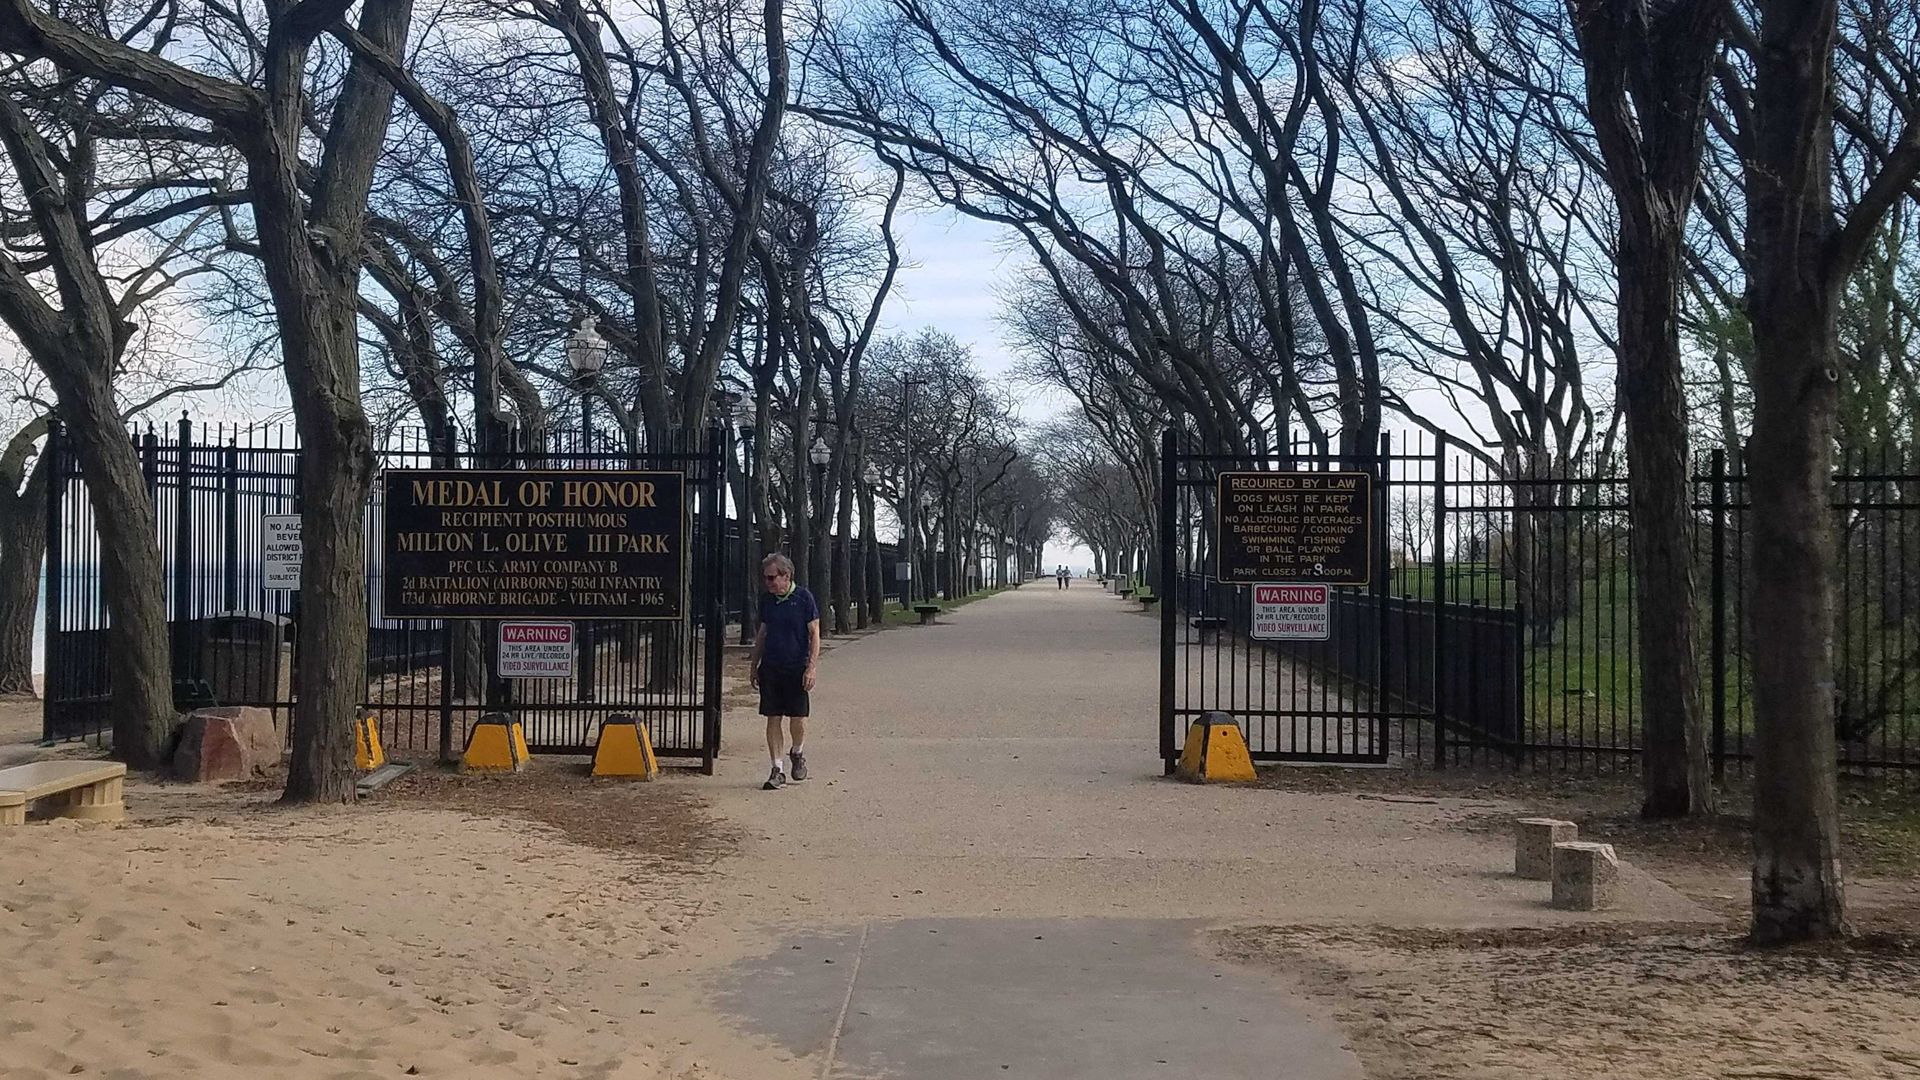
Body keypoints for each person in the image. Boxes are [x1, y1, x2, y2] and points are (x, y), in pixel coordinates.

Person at [749, 552, 819, 790]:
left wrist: (811, 667)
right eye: (765, 578)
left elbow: (814, 634)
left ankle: (797, 752)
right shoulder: (767, 601)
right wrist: (754, 664)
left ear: (786, 575)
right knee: (773, 717)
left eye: (771, 578)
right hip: (771, 667)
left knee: (798, 718)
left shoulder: (804, 598)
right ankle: (776, 768)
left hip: (796, 667)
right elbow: (762, 633)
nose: (767, 583)